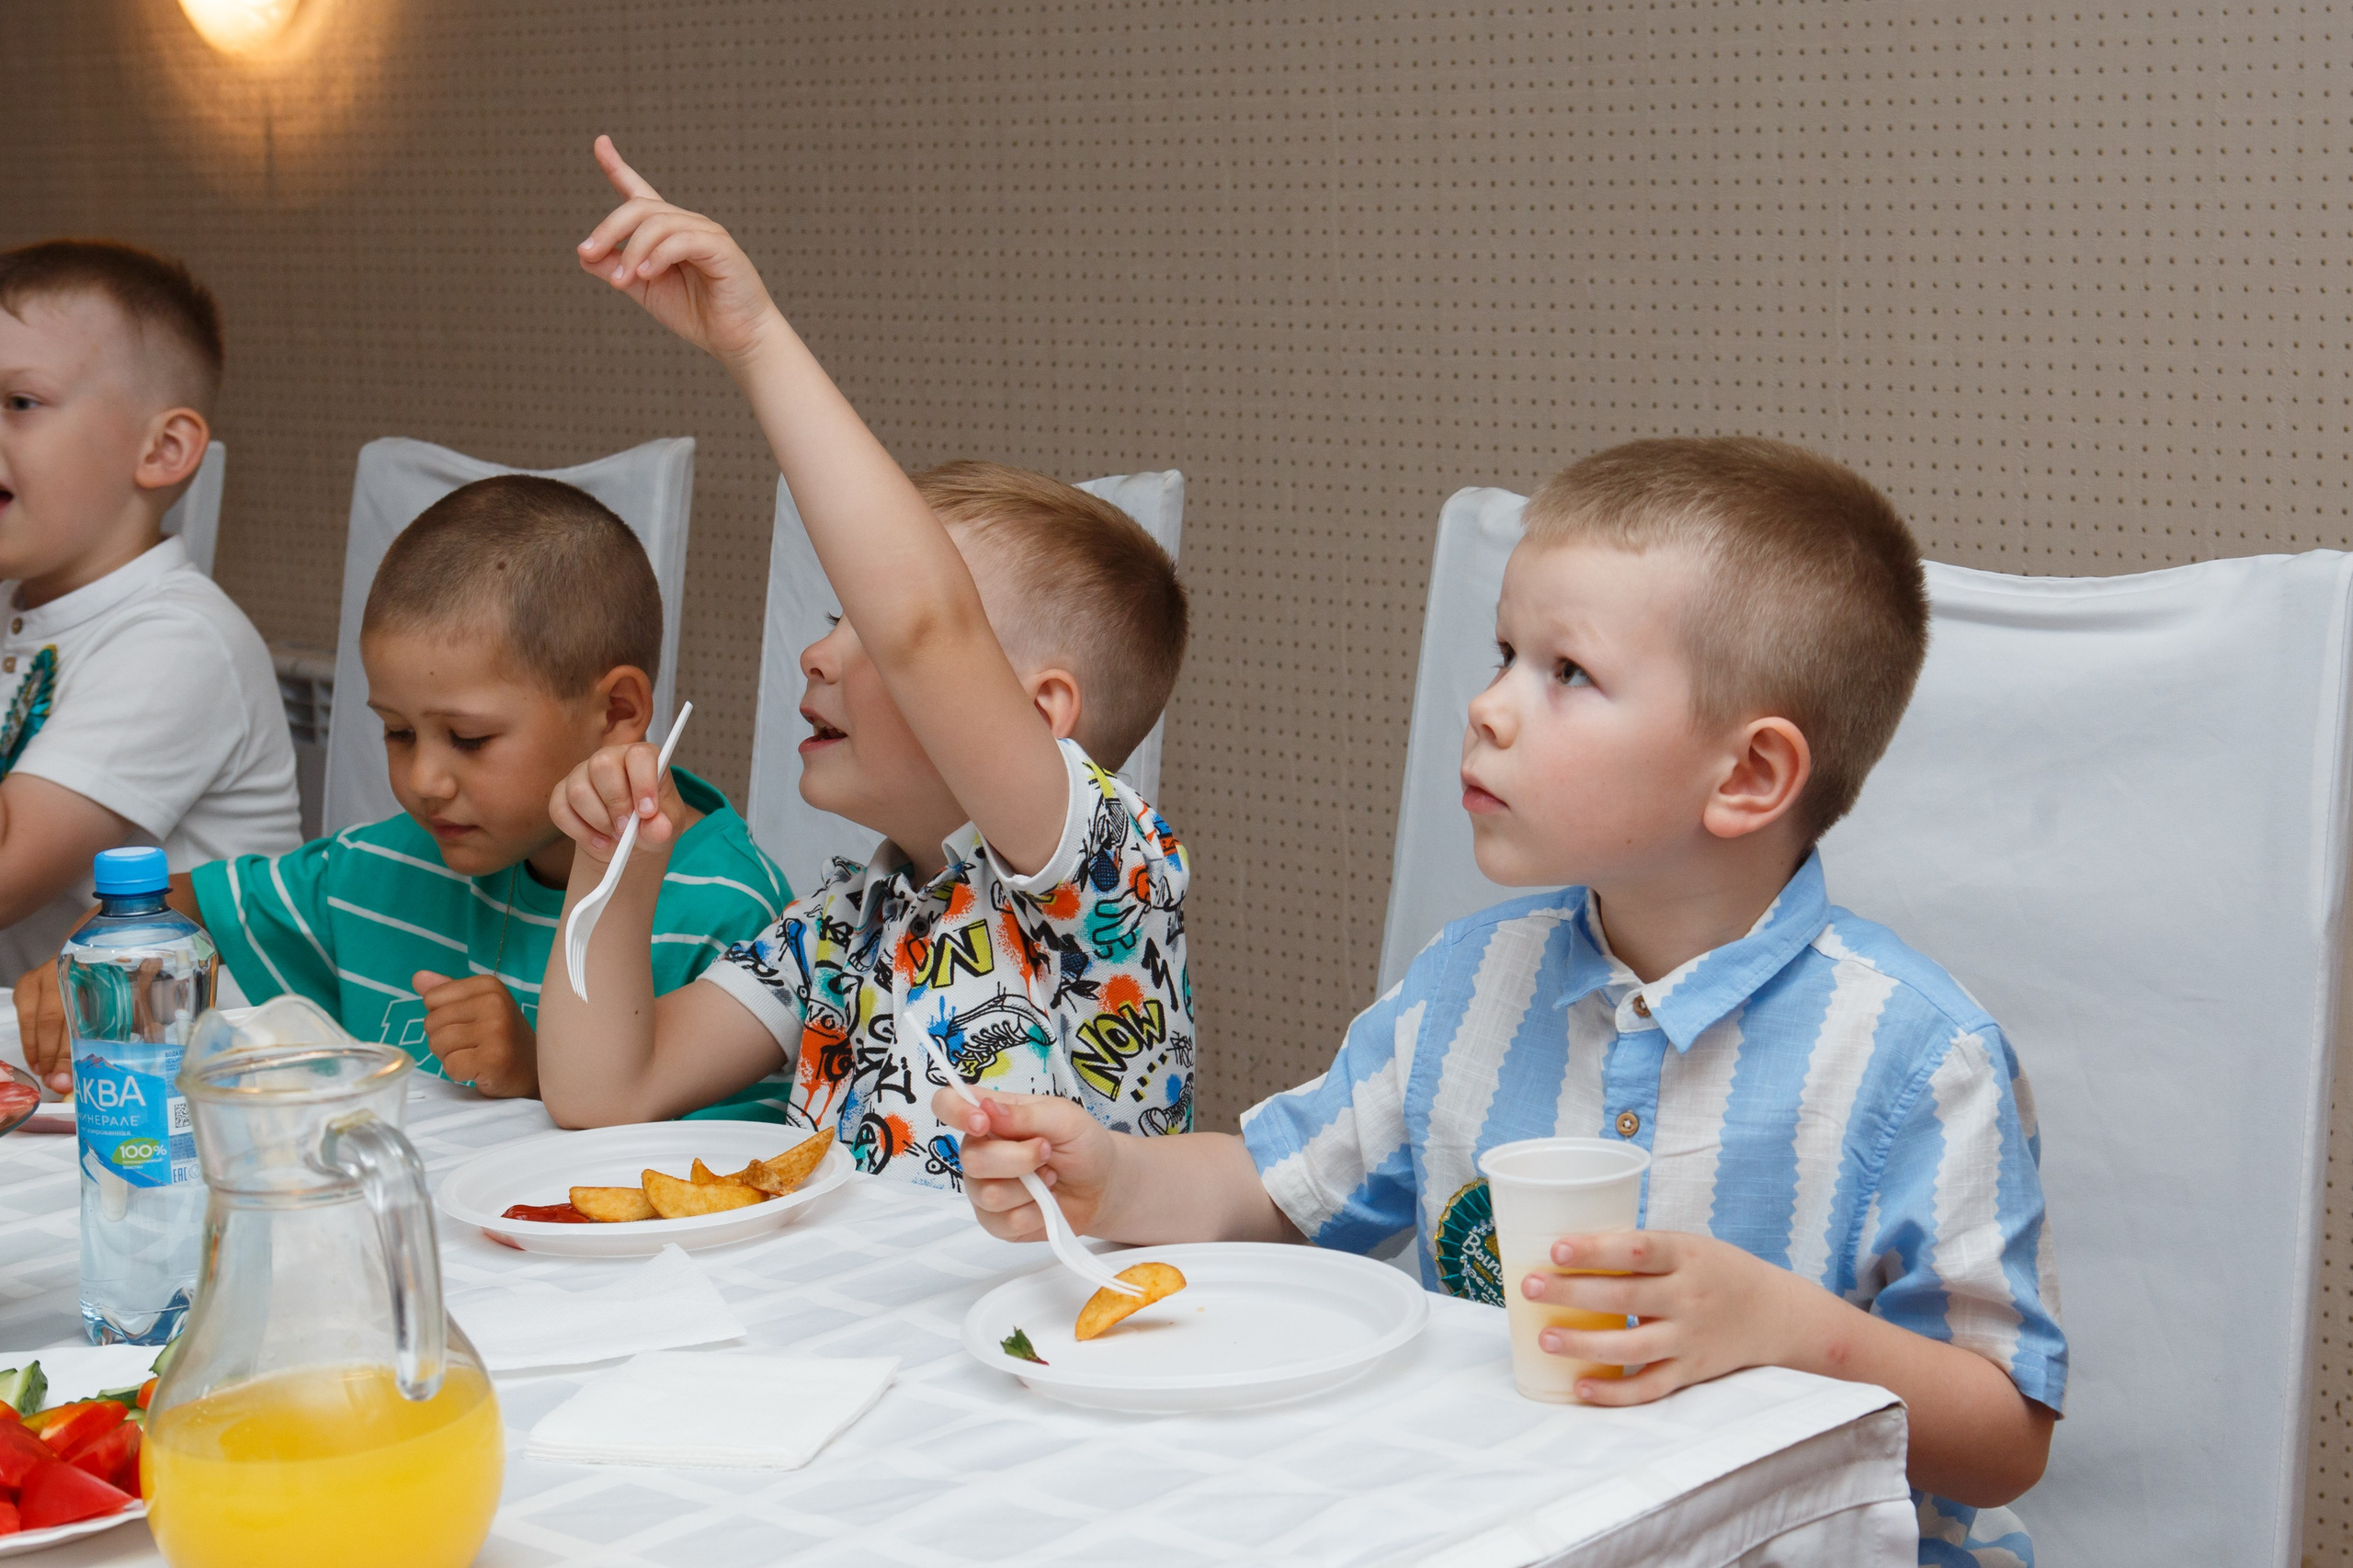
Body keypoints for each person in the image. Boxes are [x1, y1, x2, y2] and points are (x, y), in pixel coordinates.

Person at [941, 438, 2065, 1565]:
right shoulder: (1470, 980)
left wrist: (1779, 1328)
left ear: (1747, 777)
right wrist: (1112, 1175)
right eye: (1502, 654)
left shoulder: (1915, 1053)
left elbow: (2005, 1436)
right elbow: (1280, 1191)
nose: (1485, 708)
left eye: (1565, 672)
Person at [535, 139, 1192, 1190]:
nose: (819, 648)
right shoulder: (845, 922)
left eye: (866, 629)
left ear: (1037, 711)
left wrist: (752, 339)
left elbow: (926, 625)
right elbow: (602, 1091)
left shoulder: (1096, 885)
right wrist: (617, 861)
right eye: (839, 616)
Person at [16, 474, 789, 1110]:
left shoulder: (728, 906)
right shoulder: (382, 868)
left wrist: (533, 1070)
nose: (422, 780)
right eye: (397, 733)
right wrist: (103, 951)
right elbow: (178, 902)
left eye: (470, 739)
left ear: (618, 713)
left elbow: (726, 1167)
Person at [0, 240, 300, 983]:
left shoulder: (176, 640)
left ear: (164, 449)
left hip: (182, 1068)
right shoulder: (24, 611)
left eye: (20, 403)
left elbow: (10, 868)